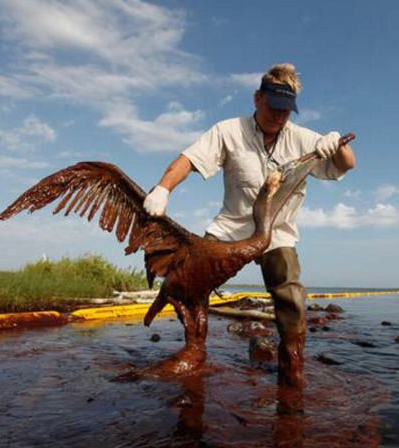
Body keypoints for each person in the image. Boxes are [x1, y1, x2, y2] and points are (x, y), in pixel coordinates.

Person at [143, 63, 356, 387]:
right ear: (258, 98)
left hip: (277, 231)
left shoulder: (304, 139)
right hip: (231, 227)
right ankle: (194, 350)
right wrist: (163, 188)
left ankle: (292, 370)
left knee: (290, 295)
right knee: (188, 278)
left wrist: (338, 145)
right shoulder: (228, 131)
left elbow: (347, 164)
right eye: (273, 107)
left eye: (286, 111)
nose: (279, 116)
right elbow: (189, 159)